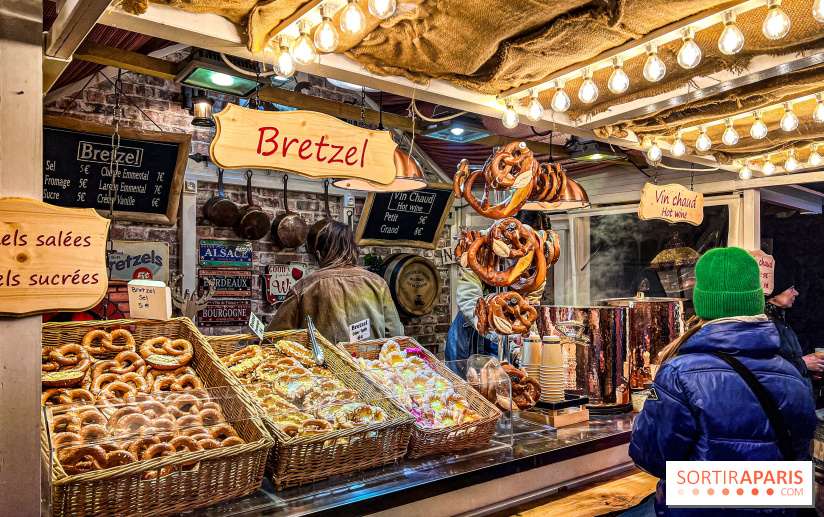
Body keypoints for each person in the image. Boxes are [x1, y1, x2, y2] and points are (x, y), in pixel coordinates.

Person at [629, 247, 816, 517]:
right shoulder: (792, 375)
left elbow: (652, 458)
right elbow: (797, 461)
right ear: (755, 300)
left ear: (703, 303)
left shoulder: (679, 373)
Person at [266, 221, 403, 344]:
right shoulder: (377, 283)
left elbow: (273, 337)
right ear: (355, 252)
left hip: (324, 364)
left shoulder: (304, 287)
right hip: (369, 363)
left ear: (319, 255)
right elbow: (396, 334)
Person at [765, 260, 821, 395]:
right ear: (775, 294)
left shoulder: (780, 319)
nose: (796, 293)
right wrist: (803, 364)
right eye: (790, 289)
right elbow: (765, 367)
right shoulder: (766, 324)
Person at [446, 267, 498, 361]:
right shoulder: (478, 260)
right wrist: (499, 333)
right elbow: (468, 297)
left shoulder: (527, 264)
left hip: (510, 337)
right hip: (471, 330)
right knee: (463, 370)